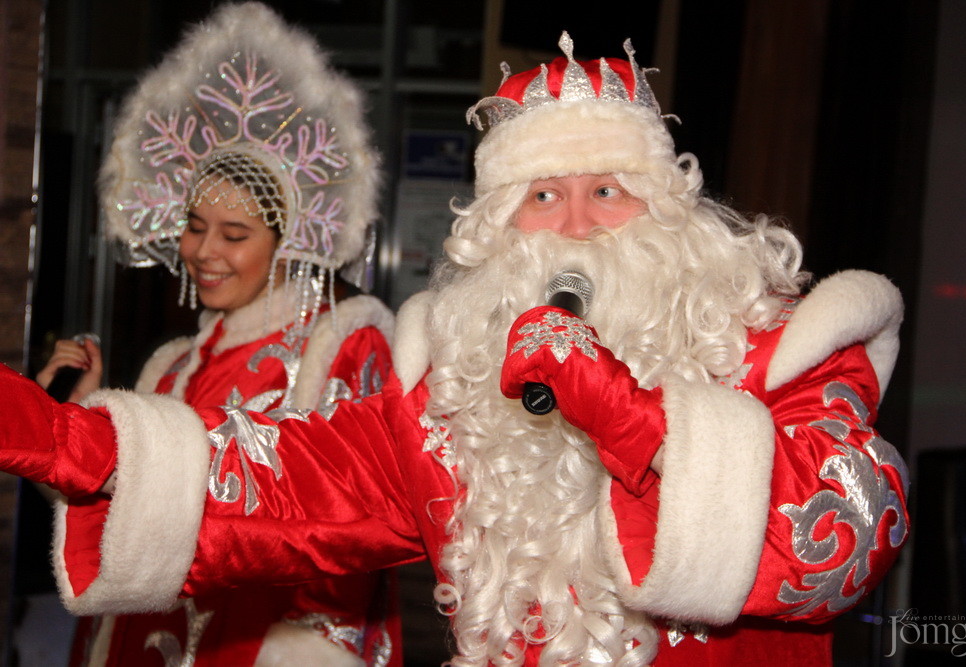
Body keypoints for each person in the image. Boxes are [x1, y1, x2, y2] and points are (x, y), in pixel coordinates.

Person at [2, 32, 909, 665]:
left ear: (668, 208)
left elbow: (848, 540)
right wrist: (67, 440)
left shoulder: (783, 347)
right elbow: (294, 481)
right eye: (541, 197)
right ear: (499, 232)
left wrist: (634, 419)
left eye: (607, 189)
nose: (576, 224)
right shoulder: (455, 395)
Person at [29, 3, 398, 665]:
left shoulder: (339, 345)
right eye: (195, 227)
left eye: (234, 234)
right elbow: (121, 514)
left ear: (287, 245)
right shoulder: (171, 367)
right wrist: (72, 425)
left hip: (255, 641)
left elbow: (356, 531)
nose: (204, 251)